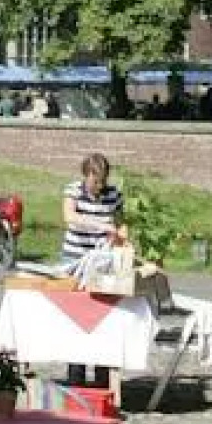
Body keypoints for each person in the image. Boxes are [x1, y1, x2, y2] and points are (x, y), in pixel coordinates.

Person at [62, 153, 128, 389]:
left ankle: (102, 375)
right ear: (86, 176)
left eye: (102, 181)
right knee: (77, 317)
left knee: (102, 317)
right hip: (76, 258)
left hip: (102, 261)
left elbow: (121, 222)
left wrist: (122, 238)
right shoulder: (74, 191)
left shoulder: (113, 195)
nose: (98, 186)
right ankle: (76, 375)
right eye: (94, 181)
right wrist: (100, 224)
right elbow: (69, 216)